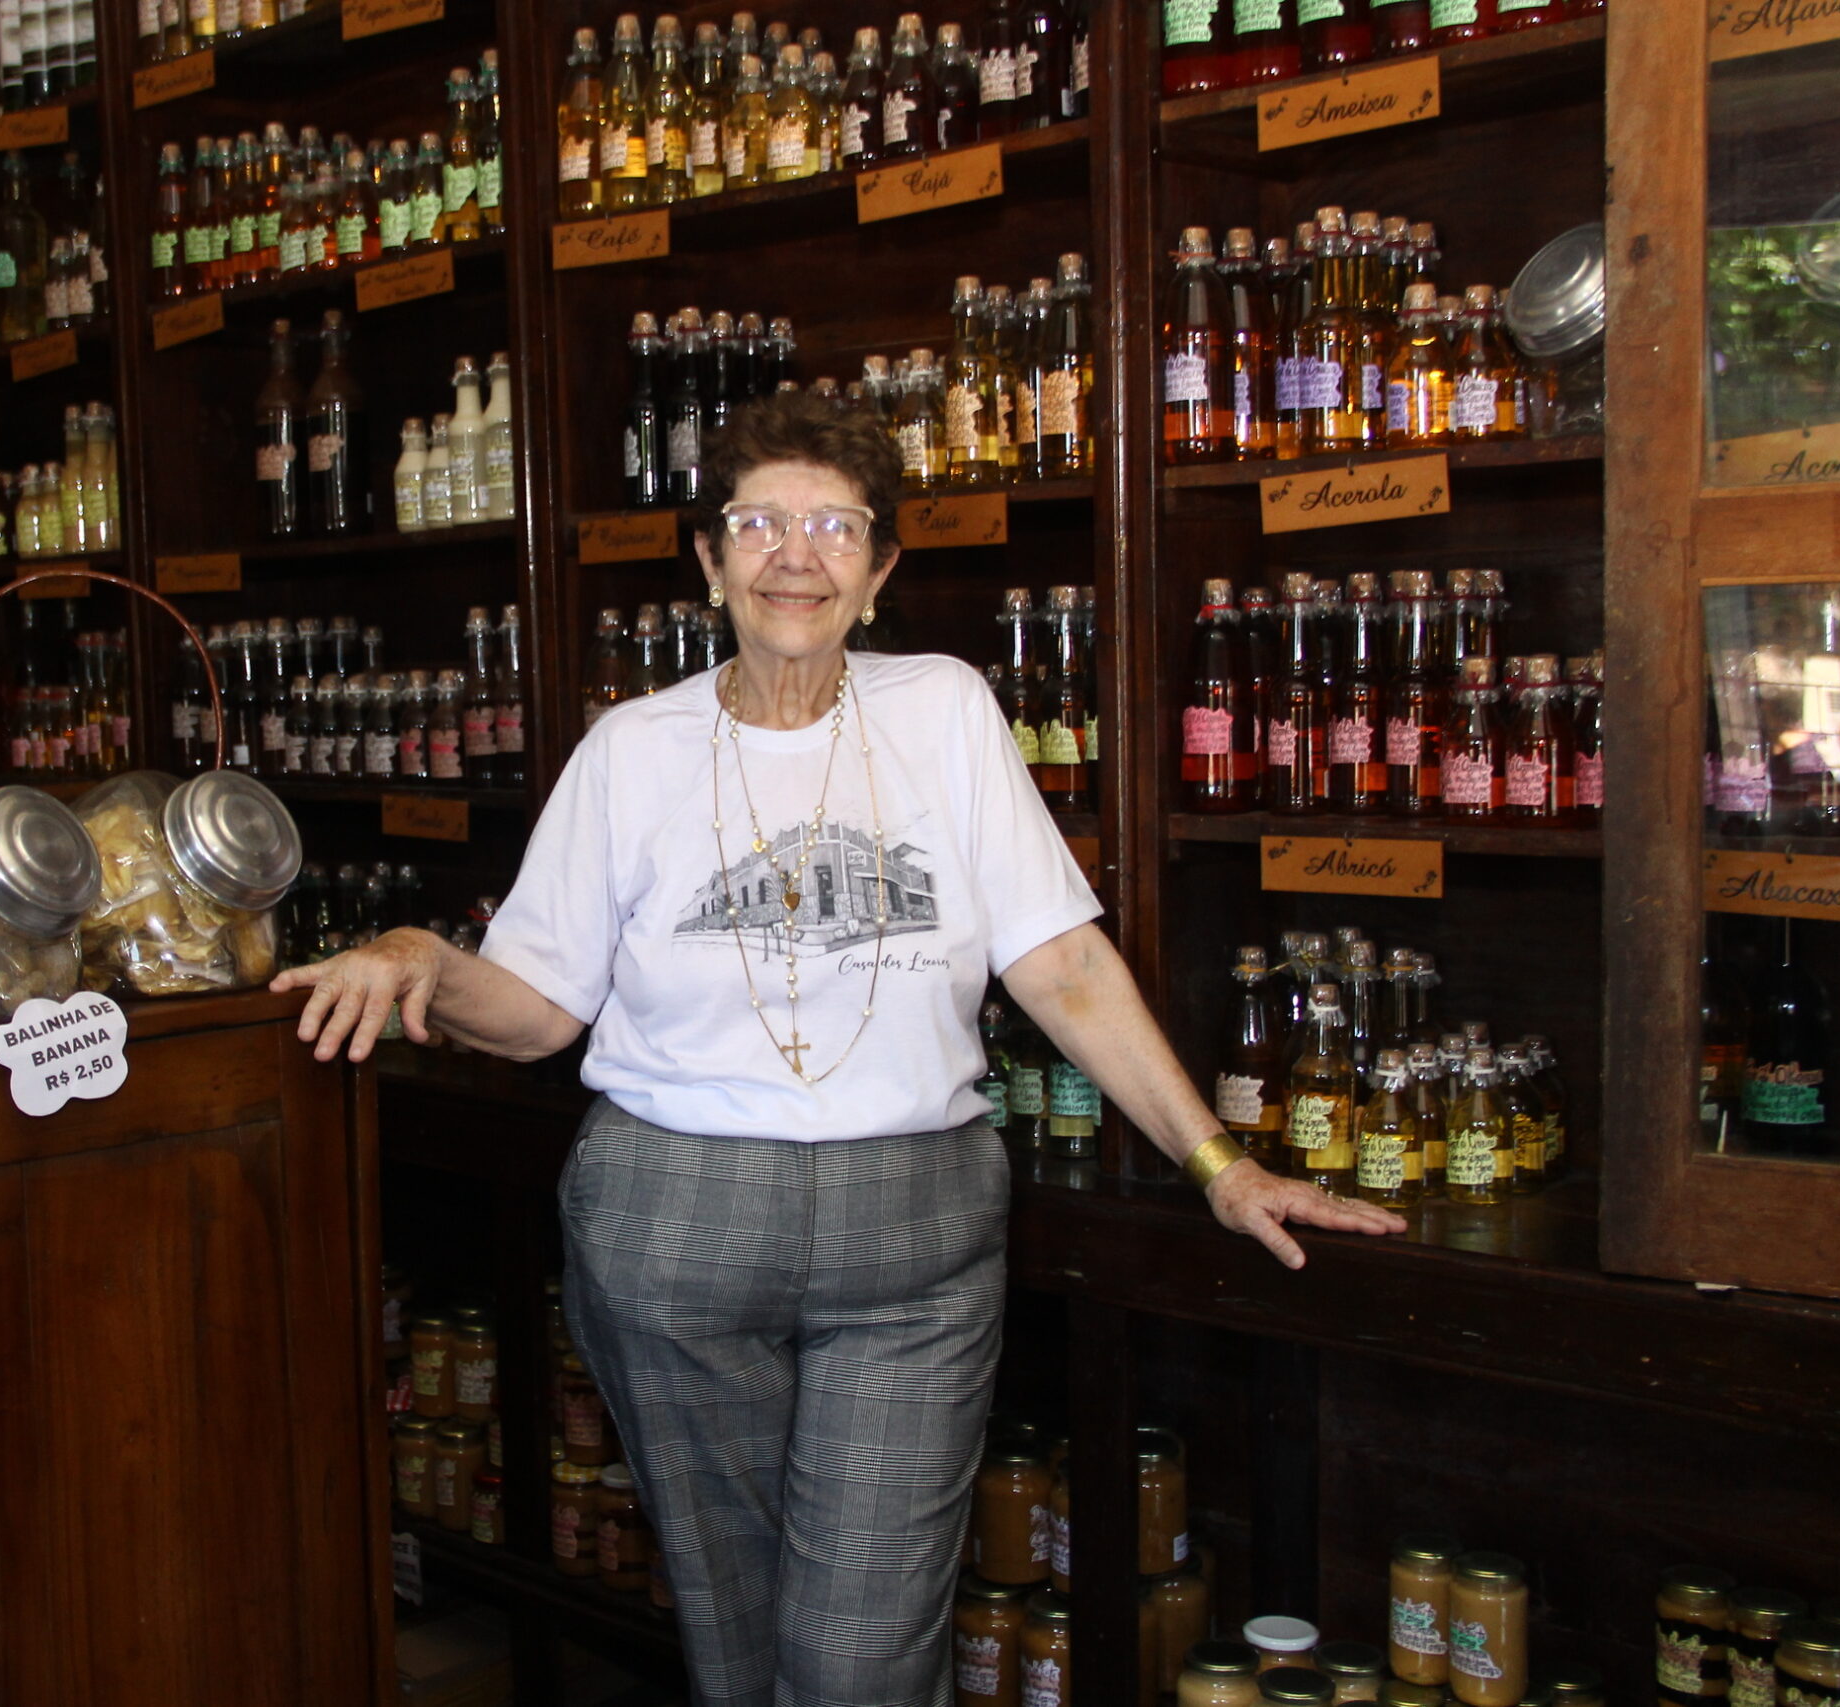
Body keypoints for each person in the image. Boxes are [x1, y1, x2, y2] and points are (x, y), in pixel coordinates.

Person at [272, 393, 1401, 1707]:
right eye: (757, 523)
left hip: (910, 1240)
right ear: (709, 562)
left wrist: (1220, 1165)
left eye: (832, 526)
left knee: (860, 1655)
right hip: (676, 1223)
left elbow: (1064, 963)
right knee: (737, 1640)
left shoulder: (947, 712)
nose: (793, 554)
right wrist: (419, 956)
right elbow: (536, 1009)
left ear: (879, 570)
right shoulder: (631, 750)